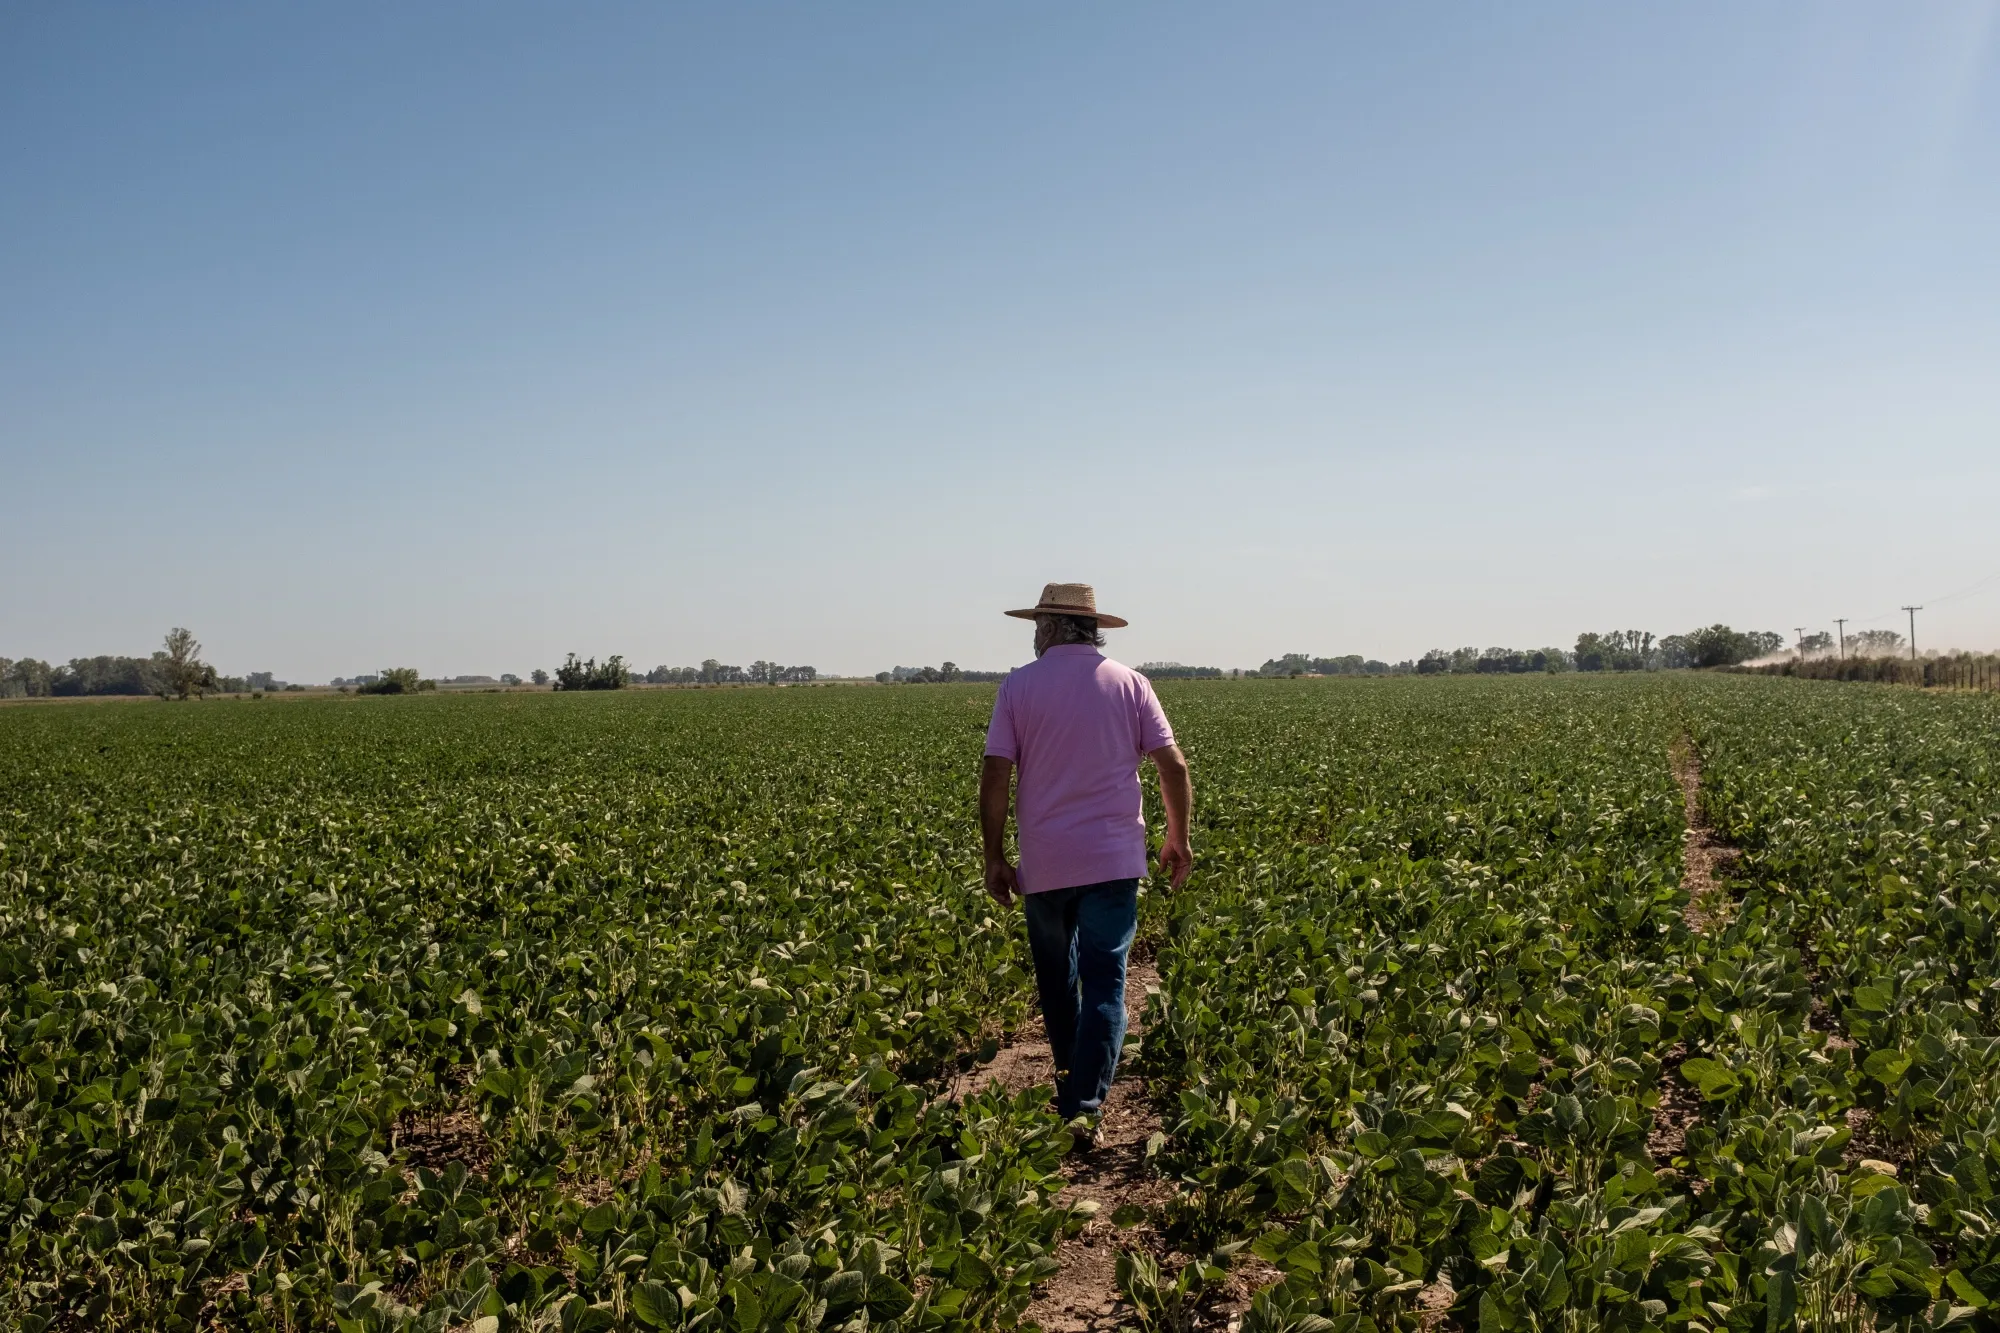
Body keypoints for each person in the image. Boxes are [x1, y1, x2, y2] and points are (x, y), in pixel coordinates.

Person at [979, 582, 1194, 1138]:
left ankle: (1071, 1088)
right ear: (1090, 629)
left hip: (1046, 862)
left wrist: (995, 857)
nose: (1033, 635)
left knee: (1057, 980)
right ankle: (1086, 1103)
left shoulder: (1017, 687)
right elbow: (1173, 765)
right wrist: (1177, 837)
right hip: (1114, 860)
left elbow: (996, 775)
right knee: (1105, 980)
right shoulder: (1130, 684)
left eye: (1036, 625)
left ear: (1050, 627)